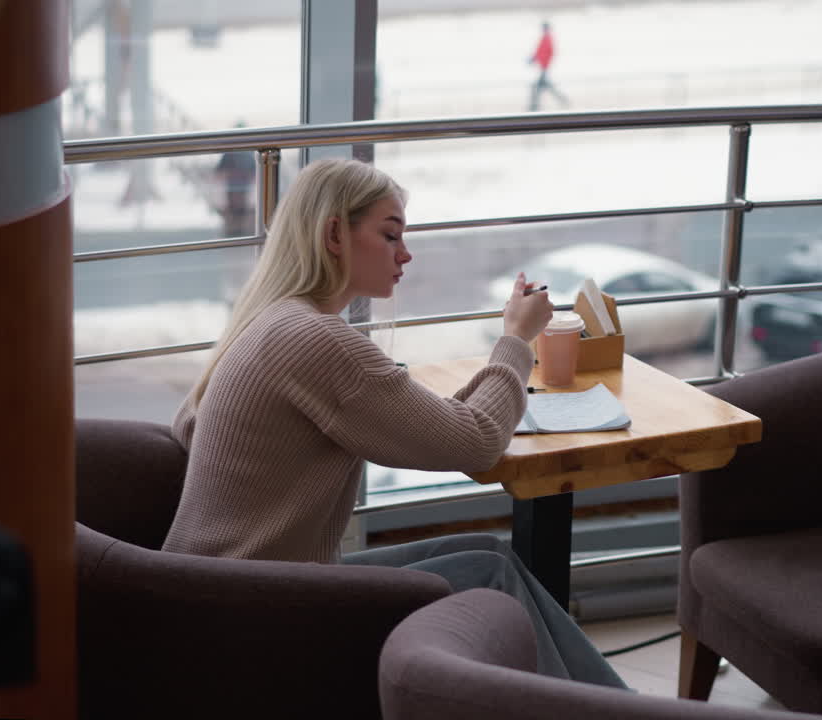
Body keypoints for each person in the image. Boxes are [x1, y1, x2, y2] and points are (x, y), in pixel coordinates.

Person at [161, 157, 625, 688]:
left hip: (208, 596)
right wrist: (516, 340)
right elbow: (476, 441)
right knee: (491, 575)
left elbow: (188, 427)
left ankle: (595, 703)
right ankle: (604, 707)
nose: (406, 254)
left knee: (489, 557)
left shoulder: (270, 319)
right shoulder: (316, 340)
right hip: (261, 612)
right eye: (390, 235)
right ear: (335, 233)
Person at [528, 21, 570, 112]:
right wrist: (533, 58)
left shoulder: (547, 38)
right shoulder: (545, 38)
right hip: (543, 66)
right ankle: (562, 99)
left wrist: (540, 61)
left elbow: (548, 52)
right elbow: (539, 51)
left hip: (544, 66)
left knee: (538, 87)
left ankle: (534, 106)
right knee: (544, 87)